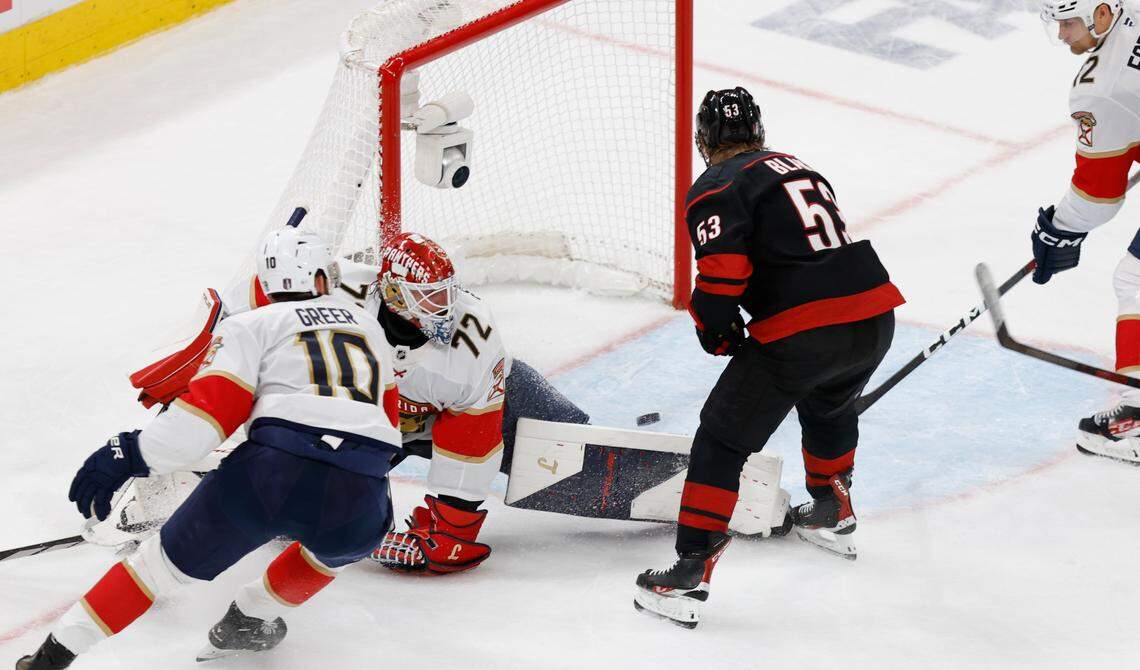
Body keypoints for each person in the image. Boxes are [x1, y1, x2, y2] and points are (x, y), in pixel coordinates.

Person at [17, 227, 402, 668]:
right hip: (361, 495)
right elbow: (385, 427)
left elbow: (201, 427)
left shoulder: (250, 325)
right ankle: (252, 617)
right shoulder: (369, 328)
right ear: (319, 279)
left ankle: (48, 660)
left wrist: (129, 452)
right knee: (334, 552)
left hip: (269, 477)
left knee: (151, 571)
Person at [125, 230, 589, 575]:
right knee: (296, 499)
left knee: (567, 433)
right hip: (373, 417)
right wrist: (201, 361)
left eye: (444, 295)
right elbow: (257, 303)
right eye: (426, 298)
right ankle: (191, 480)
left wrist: (451, 528)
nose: (441, 308)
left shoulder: (474, 344)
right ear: (392, 293)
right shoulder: (336, 290)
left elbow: (472, 438)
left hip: (464, 407)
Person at [633, 87, 904, 628]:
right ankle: (831, 508)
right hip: (875, 318)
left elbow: (725, 274)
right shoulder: (799, 165)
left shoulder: (715, 183)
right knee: (828, 405)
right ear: (758, 130)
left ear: (702, 139)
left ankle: (689, 571)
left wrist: (713, 326)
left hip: (807, 331)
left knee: (722, 437)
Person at [1034, 0, 1140, 464]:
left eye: (1069, 23)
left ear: (1102, 14)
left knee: (1135, 281)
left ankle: (1137, 419)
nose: (1062, 37)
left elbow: (1098, 196)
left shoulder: (1100, 89)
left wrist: (1058, 229)